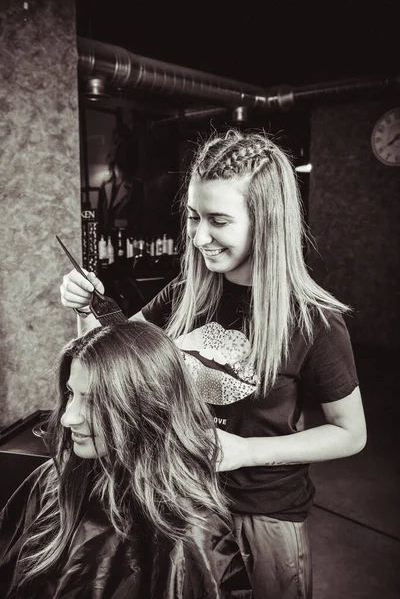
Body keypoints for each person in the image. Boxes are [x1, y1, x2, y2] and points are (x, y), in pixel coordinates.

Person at [60, 128, 367, 599]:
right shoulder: (183, 294)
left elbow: (350, 433)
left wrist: (247, 451)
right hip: (180, 499)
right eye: (192, 217)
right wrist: (86, 312)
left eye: (218, 220)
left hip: (260, 513)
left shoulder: (314, 322)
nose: (200, 236)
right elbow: (113, 363)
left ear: (265, 221)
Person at [0, 320, 252, 598]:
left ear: (145, 407)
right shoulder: (53, 479)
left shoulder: (190, 535)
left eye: (94, 400)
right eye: (71, 394)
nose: (67, 417)